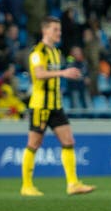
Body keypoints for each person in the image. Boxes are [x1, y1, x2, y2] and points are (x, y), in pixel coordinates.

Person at [20, 16, 95, 197]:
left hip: (56, 105)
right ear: (45, 30)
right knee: (34, 144)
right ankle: (26, 186)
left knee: (68, 141)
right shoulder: (38, 52)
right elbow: (38, 74)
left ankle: (73, 184)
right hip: (40, 106)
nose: (58, 33)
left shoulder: (55, 52)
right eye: (55, 29)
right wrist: (63, 73)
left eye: (59, 30)